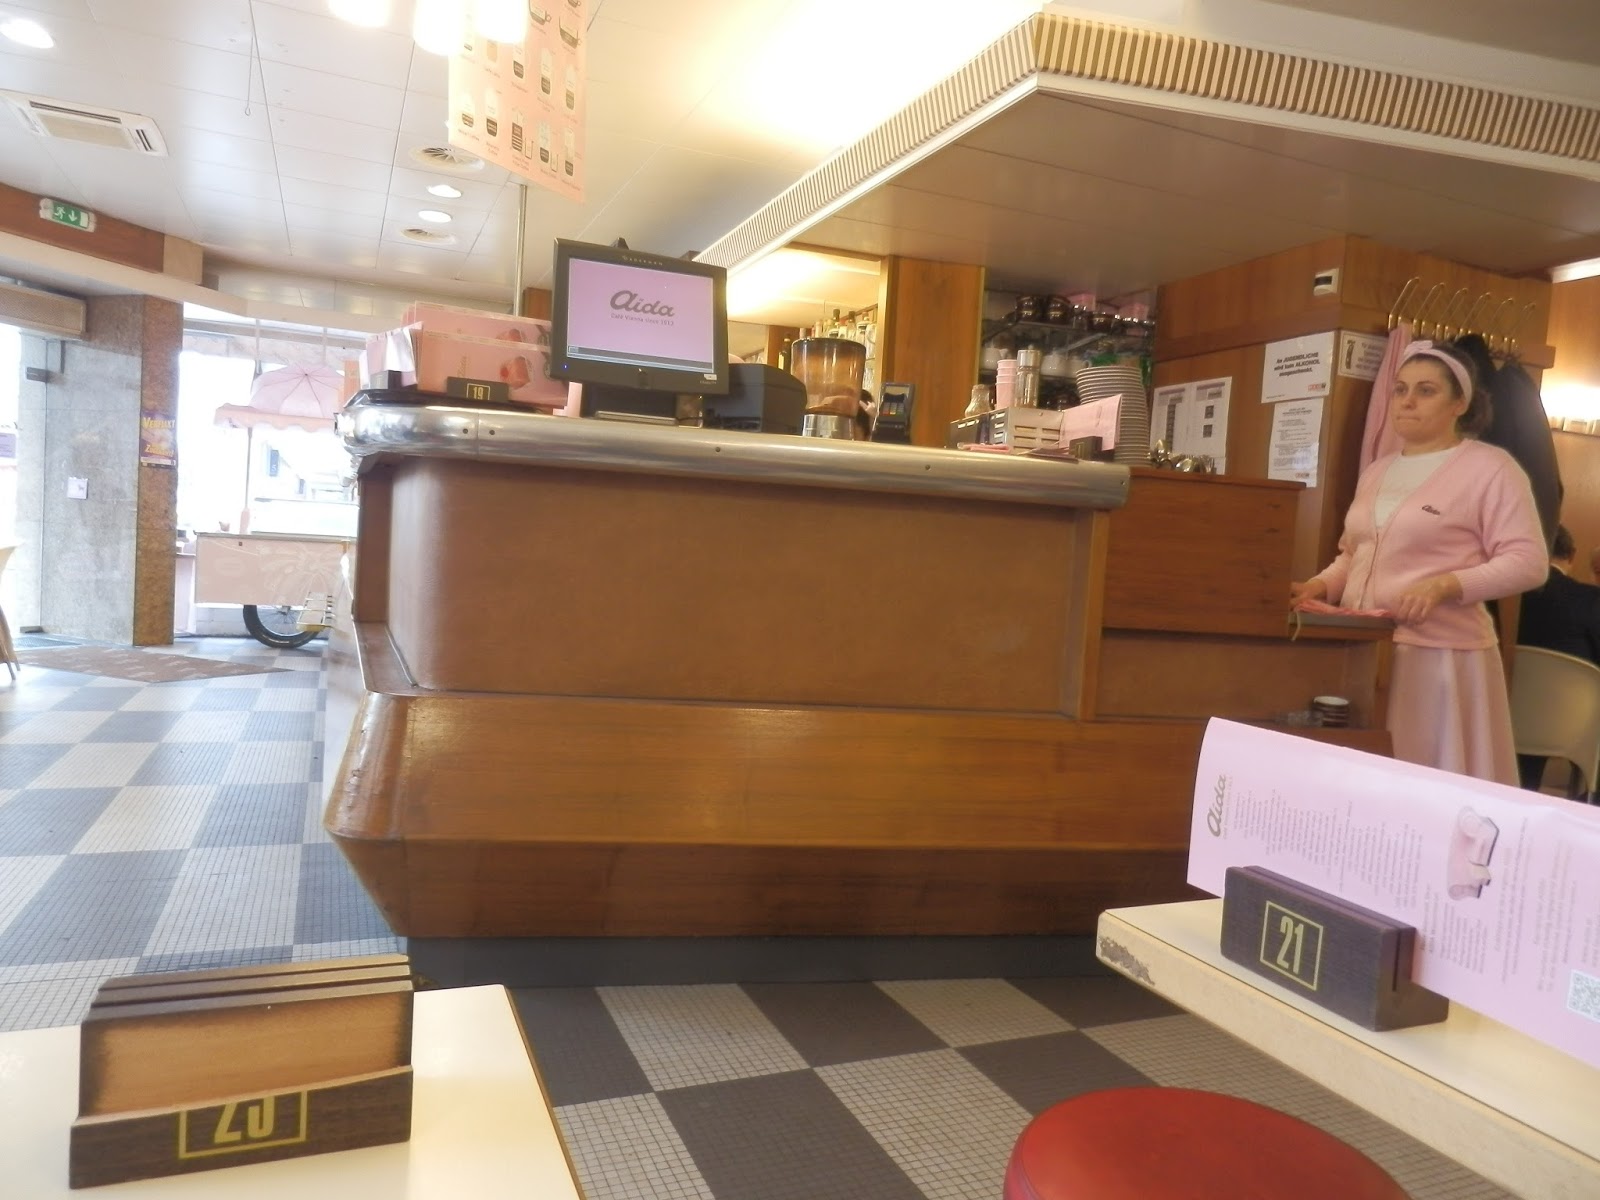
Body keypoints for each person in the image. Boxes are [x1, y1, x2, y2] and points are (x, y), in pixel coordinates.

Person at [1290, 340, 1546, 785]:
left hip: (1441, 659)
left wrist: (1444, 585)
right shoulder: (1378, 470)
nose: (1407, 401)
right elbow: (1353, 554)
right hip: (1365, 653)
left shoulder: (1491, 468)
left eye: (1426, 391)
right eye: (1400, 389)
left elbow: (1529, 562)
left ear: (1460, 404)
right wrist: (1317, 586)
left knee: (1428, 782)